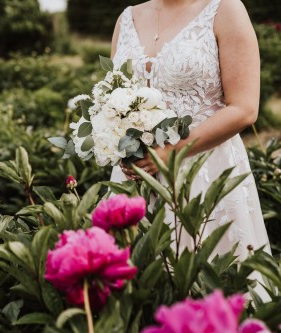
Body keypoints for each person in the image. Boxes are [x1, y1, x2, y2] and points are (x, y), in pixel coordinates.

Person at [109, 0, 271, 269]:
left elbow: (244, 109)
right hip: (136, 175)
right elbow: (113, 98)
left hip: (204, 169)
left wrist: (169, 152)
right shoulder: (127, 18)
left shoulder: (225, 10)